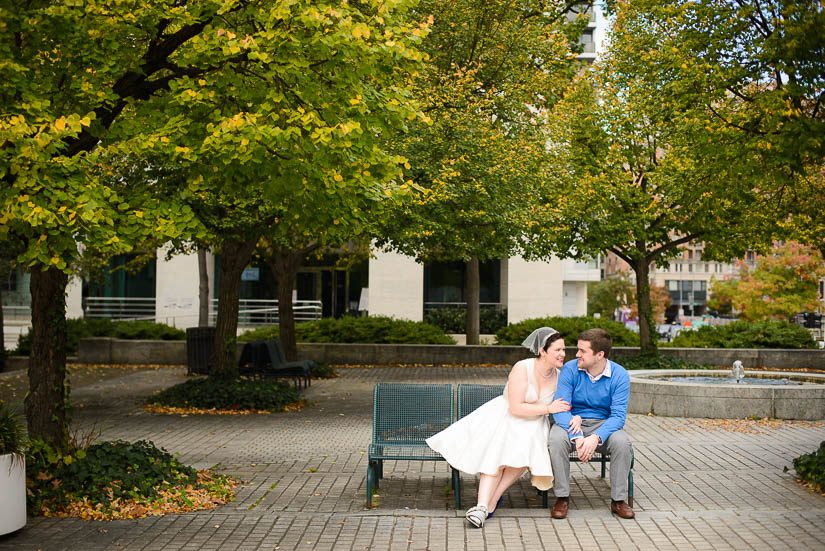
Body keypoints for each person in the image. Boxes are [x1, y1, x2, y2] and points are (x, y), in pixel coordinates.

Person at [426, 327, 576, 528]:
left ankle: (490, 501)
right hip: (506, 416)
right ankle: (482, 505)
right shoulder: (523, 368)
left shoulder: (560, 376)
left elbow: (569, 404)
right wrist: (549, 407)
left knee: (528, 445)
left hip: (534, 424)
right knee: (497, 451)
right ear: (543, 350)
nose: (563, 354)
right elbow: (515, 407)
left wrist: (576, 418)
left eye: (564, 350)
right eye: (557, 350)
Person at [547, 328, 635, 519]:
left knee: (622, 443)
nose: (577, 354)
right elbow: (561, 407)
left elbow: (618, 417)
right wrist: (577, 437)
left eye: (582, 351)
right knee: (555, 439)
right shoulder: (570, 369)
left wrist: (596, 437)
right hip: (572, 422)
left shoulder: (619, 376)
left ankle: (618, 501)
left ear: (599, 355)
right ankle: (562, 497)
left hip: (603, 425)